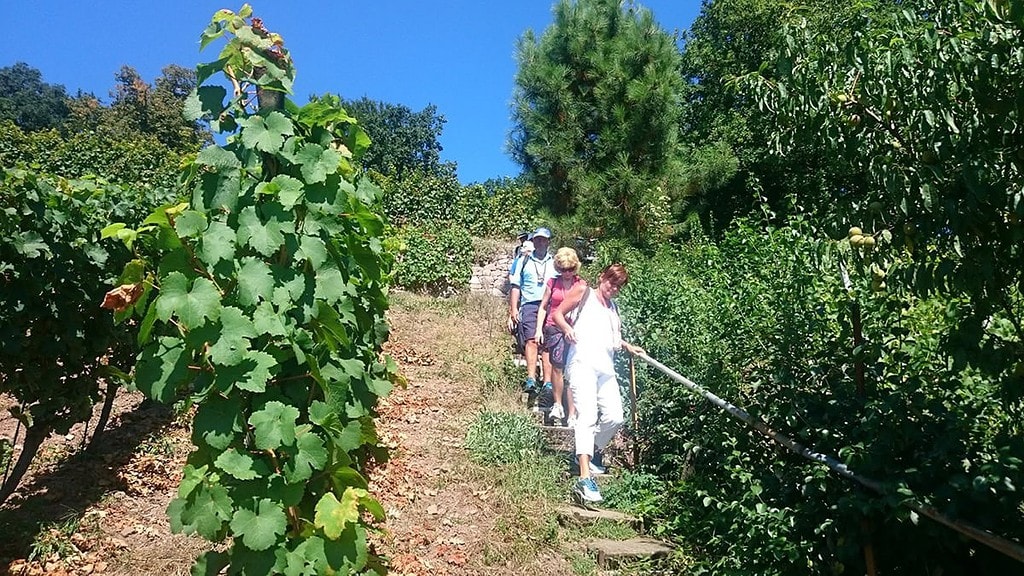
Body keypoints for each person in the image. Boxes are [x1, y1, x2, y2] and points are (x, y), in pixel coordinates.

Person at [552, 263, 643, 504]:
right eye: (611, 282)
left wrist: (628, 346)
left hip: (605, 368)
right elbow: (557, 314)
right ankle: (584, 478)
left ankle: (588, 451)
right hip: (582, 363)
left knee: (615, 417)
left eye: (618, 286)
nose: (613, 288)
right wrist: (567, 329)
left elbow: (611, 338)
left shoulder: (613, 308)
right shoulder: (584, 292)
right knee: (588, 416)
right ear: (602, 277)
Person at [535, 247, 585, 427]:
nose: (567, 273)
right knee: (557, 366)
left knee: (573, 370)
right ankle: (557, 404)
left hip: (573, 330)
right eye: (563, 269)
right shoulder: (552, 283)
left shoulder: (581, 285)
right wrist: (539, 329)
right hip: (554, 327)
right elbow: (543, 307)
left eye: (570, 269)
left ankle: (572, 412)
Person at [508, 227, 555, 398]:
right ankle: (531, 378)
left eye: (544, 239)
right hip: (529, 305)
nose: (540, 242)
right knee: (531, 340)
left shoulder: (554, 263)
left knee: (548, 343)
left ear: (548, 242)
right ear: (533, 241)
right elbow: (515, 286)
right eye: (537, 239)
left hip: (550, 305)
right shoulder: (523, 261)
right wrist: (513, 309)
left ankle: (548, 382)